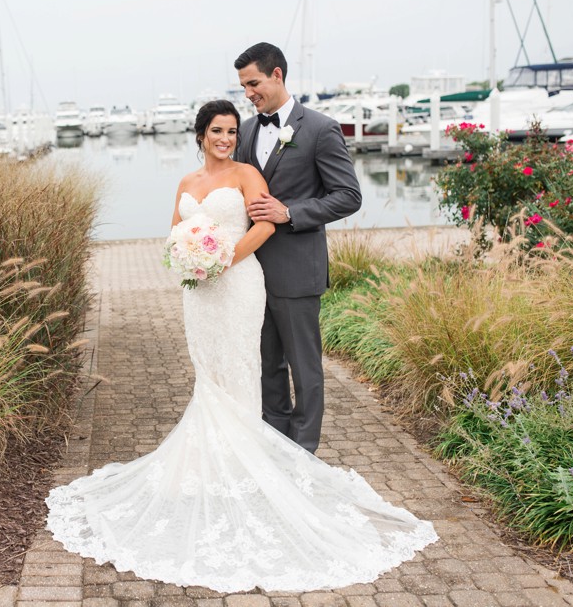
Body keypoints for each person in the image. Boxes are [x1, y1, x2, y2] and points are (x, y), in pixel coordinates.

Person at [45, 100, 435, 593]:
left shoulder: (249, 173)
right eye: (217, 131)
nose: (226, 138)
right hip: (200, 291)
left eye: (231, 130)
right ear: (201, 134)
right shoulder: (186, 183)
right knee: (208, 372)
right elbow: (174, 232)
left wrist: (221, 259)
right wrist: (186, 259)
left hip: (237, 280)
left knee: (241, 366)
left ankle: (252, 465)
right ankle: (212, 460)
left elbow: (265, 225)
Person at [233, 42, 362, 454]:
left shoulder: (321, 129)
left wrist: (288, 212)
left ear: (277, 75)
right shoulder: (248, 130)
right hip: (252, 270)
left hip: (297, 268)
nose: (248, 93)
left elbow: (348, 196)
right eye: (242, 86)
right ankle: (276, 443)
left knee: (305, 369)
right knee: (267, 365)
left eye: (253, 83)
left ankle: (304, 453)